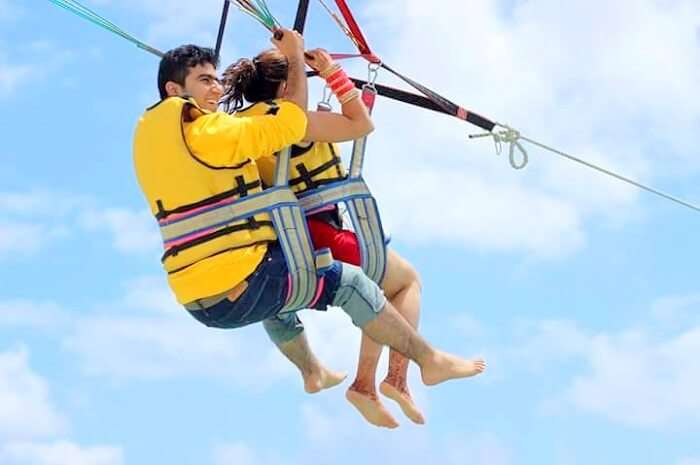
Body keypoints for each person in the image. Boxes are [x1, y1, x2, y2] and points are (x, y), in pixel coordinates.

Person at [132, 30, 486, 415]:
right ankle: (410, 367)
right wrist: (317, 67)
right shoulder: (226, 130)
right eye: (205, 80)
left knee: (277, 282)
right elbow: (328, 123)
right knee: (362, 282)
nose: (215, 88)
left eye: (217, 79)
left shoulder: (159, 136)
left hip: (199, 295)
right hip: (295, 247)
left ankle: (313, 370)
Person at [220, 47, 483, 427]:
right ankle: (386, 378)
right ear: (286, 87)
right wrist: (332, 74)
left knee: (382, 282)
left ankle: (380, 384)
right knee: (404, 281)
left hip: (284, 238)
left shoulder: (241, 125)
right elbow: (361, 124)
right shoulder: (292, 120)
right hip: (318, 232)